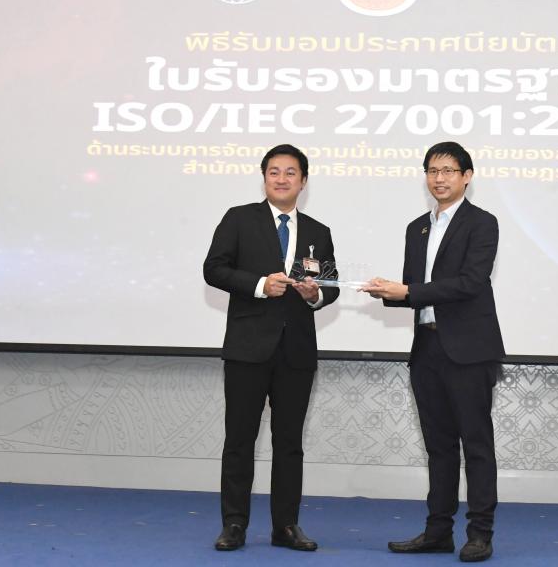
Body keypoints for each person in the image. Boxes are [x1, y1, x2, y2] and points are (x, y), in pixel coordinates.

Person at [361, 141, 505, 563]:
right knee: (439, 447)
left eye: (448, 171)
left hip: (469, 349)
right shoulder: (416, 228)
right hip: (426, 347)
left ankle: (480, 533)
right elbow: (414, 291)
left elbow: (470, 283)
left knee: (476, 445)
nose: (439, 179)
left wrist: (407, 290)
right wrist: (384, 292)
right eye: (432, 171)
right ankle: (438, 531)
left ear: (467, 176)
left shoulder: (482, 223)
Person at [203, 143, 339, 552]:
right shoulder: (239, 218)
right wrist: (261, 285)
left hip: (296, 351)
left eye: (290, 172)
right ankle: (234, 524)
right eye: (274, 172)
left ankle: (286, 526)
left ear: (304, 181)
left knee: (290, 443)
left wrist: (315, 295)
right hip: (247, 347)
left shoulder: (318, 231)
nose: (282, 179)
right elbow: (214, 269)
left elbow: (330, 287)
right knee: (239, 440)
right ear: (264, 178)